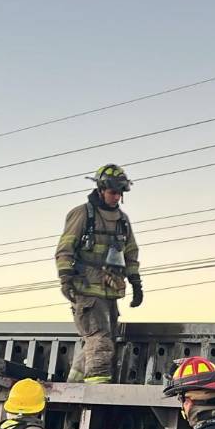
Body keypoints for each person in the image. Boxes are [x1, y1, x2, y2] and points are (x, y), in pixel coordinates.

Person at [55, 163, 143, 384]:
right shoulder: (82, 214)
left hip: (110, 292)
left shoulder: (122, 221)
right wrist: (66, 279)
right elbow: (65, 249)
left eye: (120, 193)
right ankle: (96, 392)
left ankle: (72, 385)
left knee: (102, 341)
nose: (117, 197)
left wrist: (136, 282)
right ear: (101, 189)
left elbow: (130, 252)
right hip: (86, 289)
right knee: (100, 341)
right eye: (113, 192)